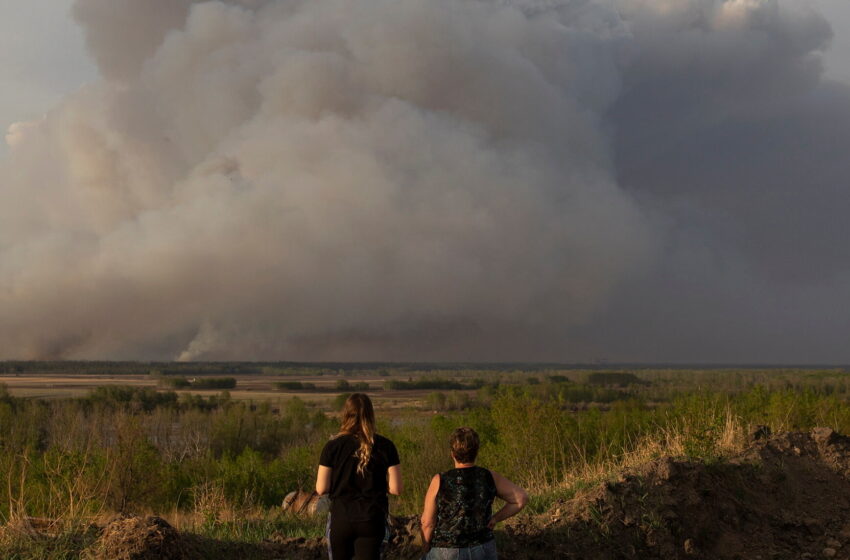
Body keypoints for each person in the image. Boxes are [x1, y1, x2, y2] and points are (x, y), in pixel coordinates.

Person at [316, 393, 403, 560]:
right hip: (372, 518)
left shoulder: (332, 446)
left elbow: (321, 488)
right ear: (371, 416)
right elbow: (396, 489)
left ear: (346, 415)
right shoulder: (386, 446)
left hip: (341, 518)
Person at [420, 427, 528, 560]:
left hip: (447, 549)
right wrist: (495, 518)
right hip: (483, 548)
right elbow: (521, 498)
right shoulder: (488, 476)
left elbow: (427, 523)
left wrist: (425, 548)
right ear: (476, 452)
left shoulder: (439, 480)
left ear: (452, 454)